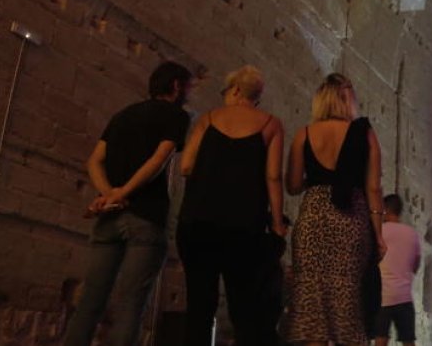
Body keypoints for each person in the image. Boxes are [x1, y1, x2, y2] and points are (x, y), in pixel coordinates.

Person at [64, 61, 193, 346]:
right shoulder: (176, 115)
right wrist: (123, 193)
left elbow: (94, 160)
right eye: (188, 88)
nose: (189, 95)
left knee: (90, 302)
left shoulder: (123, 115)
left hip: (109, 217)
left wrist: (108, 193)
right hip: (145, 215)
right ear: (175, 86)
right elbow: (158, 160)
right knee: (130, 306)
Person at [177, 66, 285, 345]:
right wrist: (276, 223)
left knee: (199, 307)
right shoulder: (271, 124)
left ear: (235, 89)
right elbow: (273, 176)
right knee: (244, 308)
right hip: (244, 227)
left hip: (198, 222)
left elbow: (186, 166)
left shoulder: (209, 119)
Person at [284, 73, 386, 346]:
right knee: (347, 299)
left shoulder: (304, 134)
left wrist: (317, 181)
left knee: (312, 304)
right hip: (350, 219)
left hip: (313, 220)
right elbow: (374, 188)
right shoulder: (364, 134)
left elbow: (292, 185)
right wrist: (378, 235)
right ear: (346, 99)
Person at [373, 193, 421, 346]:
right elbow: (415, 266)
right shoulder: (412, 234)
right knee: (408, 341)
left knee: (380, 339)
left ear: (384, 209)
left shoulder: (378, 231)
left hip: (382, 296)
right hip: (404, 297)